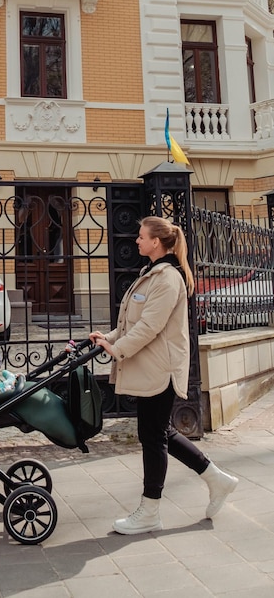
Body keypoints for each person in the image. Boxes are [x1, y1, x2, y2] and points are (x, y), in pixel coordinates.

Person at [90, 216, 238, 535]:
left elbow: (150, 326)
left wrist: (118, 349)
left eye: (141, 236)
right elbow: (134, 321)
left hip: (161, 369)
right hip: (152, 366)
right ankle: (216, 479)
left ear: (156, 241)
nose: (137, 241)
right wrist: (110, 338)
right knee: (160, 433)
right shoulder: (153, 273)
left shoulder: (168, 277)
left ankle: (150, 510)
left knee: (153, 436)